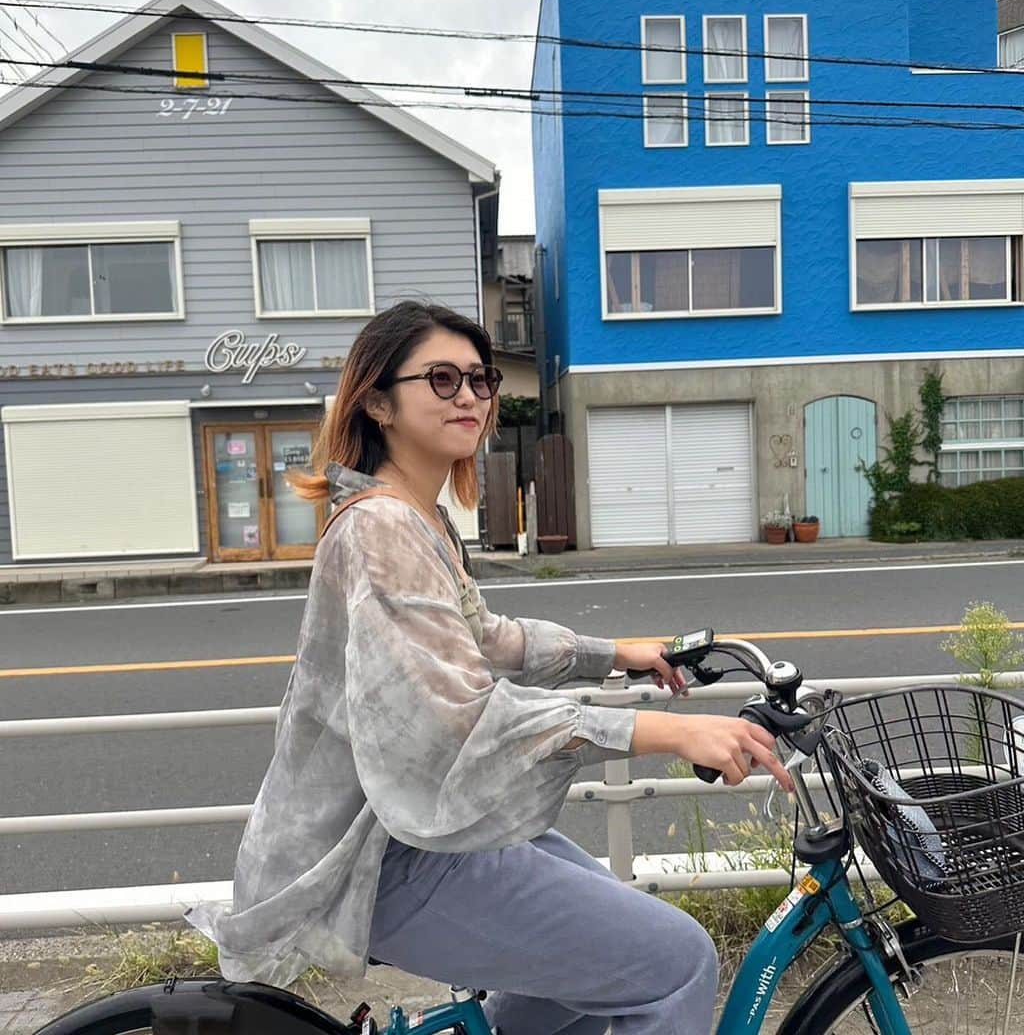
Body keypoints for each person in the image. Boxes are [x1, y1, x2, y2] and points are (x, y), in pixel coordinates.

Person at [185, 300, 791, 1035]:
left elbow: (490, 639)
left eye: (481, 379)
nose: (469, 395)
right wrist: (664, 731)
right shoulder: (380, 528)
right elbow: (460, 716)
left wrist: (620, 654)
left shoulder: (418, 517)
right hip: (384, 856)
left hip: (428, 824)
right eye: (441, 379)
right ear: (377, 400)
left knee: (593, 958)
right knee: (675, 963)